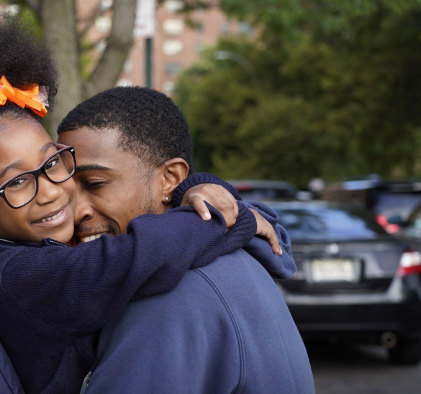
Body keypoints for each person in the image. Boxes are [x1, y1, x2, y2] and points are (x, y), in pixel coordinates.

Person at [0, 18, 288, 394]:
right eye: (17, 182)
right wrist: (230, 217)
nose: (53, 190)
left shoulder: (37, 240)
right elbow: (141, 252)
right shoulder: (15, 276)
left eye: (53, 164)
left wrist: (197, 187)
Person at [56, 87, 315, 393]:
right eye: (63, 190)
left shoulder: (167, 293)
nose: (74, 212)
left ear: (170, 179)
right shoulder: (222, 259)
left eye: (95, 184)